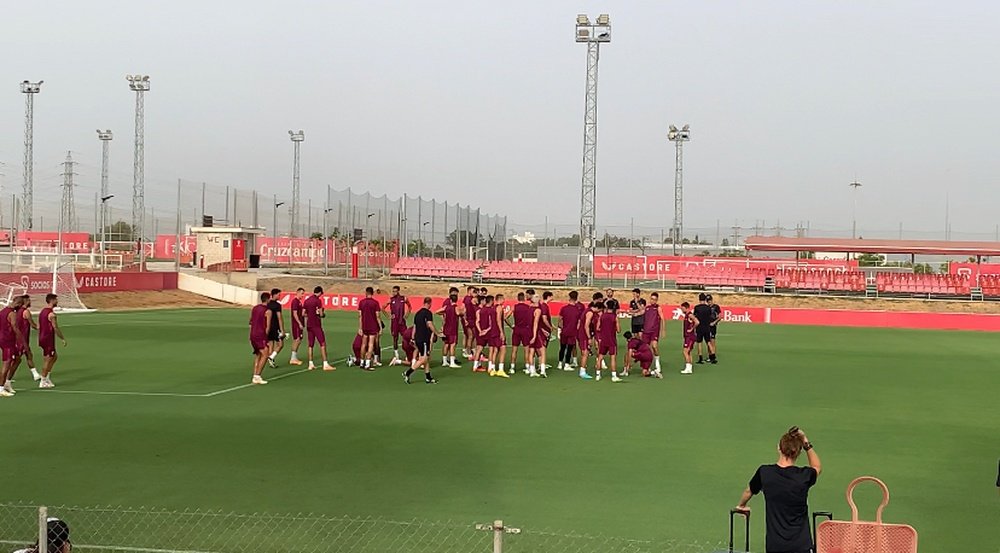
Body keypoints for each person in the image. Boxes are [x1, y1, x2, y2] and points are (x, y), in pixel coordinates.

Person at [735, 427, 822, 553]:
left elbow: (749, 491)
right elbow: (817, 467)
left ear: (779, 448)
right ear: (798, 452)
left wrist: (741, 505)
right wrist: (805, 441)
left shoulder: (765, 473)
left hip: (775, 546)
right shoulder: (804, 475)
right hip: (801, 545)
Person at [404, 297, 440, 384]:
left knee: (425, 358)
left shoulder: (417, 313)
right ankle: (407, 373)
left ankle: (428, 377)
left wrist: (413, 337)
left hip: (418, 338)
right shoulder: (428, 313)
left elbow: (415, 327)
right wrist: (437, 333)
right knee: (423, 359)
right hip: (424, 339)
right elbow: (429, 324)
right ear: (429, 303)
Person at [36, 293, 67, 389]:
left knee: (54, 357)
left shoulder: (42, 312)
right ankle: (43, 380)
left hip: (42, 337)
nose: (57, 302)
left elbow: (39, 325)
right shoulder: (51, 314)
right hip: (48, 338)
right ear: (52, 300)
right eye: (56, 300)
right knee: (48, 359)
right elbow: (55, 328)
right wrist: (62, 338)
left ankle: (46, 377)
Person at [0, 296, 27, 396]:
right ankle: (1, 388)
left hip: (4, 339)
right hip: (8, 341)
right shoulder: (12, 313)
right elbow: (15, 327)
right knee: (7, 363)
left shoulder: (2, 311)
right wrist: (22, 341)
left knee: (17, 359)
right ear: (18, 303)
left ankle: (7, 382)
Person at [304, 286, 335, 371]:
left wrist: (310, 315)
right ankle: (325, 363)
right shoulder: (318, 301)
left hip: (309, 324)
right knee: (322, 343)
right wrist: (322, 314)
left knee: (310, 345)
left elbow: (303, 313)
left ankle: (310, 363)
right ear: (320, 292)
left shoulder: (307, 301)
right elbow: (321, 314)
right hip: (316, 325)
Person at [595, 301, 623, 382]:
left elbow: (597, 328)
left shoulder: (602, 316)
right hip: (612, 340)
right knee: (613, 358)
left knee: (600, 358)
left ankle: (598, 375)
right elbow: (618, 330)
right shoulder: (615, 317)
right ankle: (614, 376)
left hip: (603, 340)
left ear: (606, 307)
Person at [435, 287, 463, 368]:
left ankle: (444, 361)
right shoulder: (456, 307)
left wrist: (444, 314)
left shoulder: (446, 307)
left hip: (446, 327)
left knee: (446, 344)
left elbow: (437, 311)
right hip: (453, 328)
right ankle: (452, 362)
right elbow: (458, 313)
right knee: (453, 344)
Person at [384, 285, 412, 365]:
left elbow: (410, 306)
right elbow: (383, 308)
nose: (393, 293)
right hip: (394, 322)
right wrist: (388, 316)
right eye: (393, 291)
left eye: (395, 291)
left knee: (406, 338)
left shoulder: (404, 298)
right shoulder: (391, 299)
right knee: (395, 338)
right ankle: (396, 355)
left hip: (402, 322)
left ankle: (408, 354)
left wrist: (407, 314)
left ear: (398, 291)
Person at [249, 292, 272, 385]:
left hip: (253, 334)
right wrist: (266, 338)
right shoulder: (268, 311)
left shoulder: (255, 308)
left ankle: (255, 375)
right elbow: (268, 327)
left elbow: (250, 321)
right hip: (260, 335)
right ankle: (257, 376)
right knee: (265, 354)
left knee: (258, 354)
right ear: (267, 299)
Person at [357, 286, 381, 370]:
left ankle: (361, 362)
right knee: (371, 344)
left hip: (364, 325)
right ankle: (367, 364)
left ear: (366, 293)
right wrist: (380, 327)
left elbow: (360, 315)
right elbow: (377, 316)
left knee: (363, 344)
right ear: (372, 293)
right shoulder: (375, 303)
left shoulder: (361, 302)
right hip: (373, 326)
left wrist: (360, 327)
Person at [557, 291, 581, 371]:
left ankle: (560, 363)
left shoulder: (564, 308)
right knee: (570, 348)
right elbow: (578, 322)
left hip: (564, 331)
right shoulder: (577, 310)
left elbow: (560, 319)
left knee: (562, 348)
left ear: (569, 297)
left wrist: (560, 328)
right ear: (576, 298)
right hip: (572, 332)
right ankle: (567, 364)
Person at [642, 292, 664, 376]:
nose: (653, 301)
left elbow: (662, 318)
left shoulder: (658, 308)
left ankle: (657, 363)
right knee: (646, 349)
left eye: (654, 299)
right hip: (646, 331)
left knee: (654, 346)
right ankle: (647, 366)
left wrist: (663, 330)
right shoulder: (647, 308)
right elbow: (641, 314)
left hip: (654, 331)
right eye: (651, 299)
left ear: (657, 300)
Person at [693, 293, 716, 364]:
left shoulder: (697, 307)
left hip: (699, 327)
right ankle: (713, 357)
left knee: (699, 342)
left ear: (699, 299)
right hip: (707, 327)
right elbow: (710, 316)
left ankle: (700, 358)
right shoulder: (708, 308)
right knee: (708, 342)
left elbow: (694, 317)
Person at [265, 288, 285, 368]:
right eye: (279, 294)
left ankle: (271, 361)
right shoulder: (277, 305)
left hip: (268, 327)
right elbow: (279, 318)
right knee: (280, 344)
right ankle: (271, 357)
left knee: (271, 344)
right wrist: (282, 330)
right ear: (275, 294)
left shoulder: (268, 304)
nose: (280, 296)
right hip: (275, 327)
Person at [288, 288, 306, 366]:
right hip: (296, 324)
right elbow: (294, 313)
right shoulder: (295, 302)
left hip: (299, 323)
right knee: (297, 339)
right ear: (297, 293)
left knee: (298, 340)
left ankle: (294, 357)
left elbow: (300, 313)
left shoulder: (299, 302)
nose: (303, 295)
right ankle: (293, 358)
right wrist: (299, 323)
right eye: (302, 293)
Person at [680, 301, 698, 374]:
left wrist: (692, 329)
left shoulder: (690, 315)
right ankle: (689, 368)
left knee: (685, 352)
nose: (682, 310)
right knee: (689, 352)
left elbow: (697, 322)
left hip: (689, 337)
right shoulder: (686, 315)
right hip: (687, 336)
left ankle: (688, 367)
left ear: (686, 308)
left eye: (682, 308)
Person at [462, 286, 479, 359]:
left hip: (471, 319)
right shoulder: (470, 299)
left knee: (472, 335)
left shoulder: (466, 298)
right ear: (469, 291)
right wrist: (465, 319)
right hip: (470, 319)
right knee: (471, 336)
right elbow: (464, 309)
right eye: (473, 291)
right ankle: (468, 351)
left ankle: (470, 350)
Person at [707, 294, 722, 360]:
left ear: (712, 300)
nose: (709, 302)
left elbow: (720, 316)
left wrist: (714, 322)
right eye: (707, 301)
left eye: (710, 300)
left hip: (712, 326)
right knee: (708, 341)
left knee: (712, 341)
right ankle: (709, 355)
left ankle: (713, 355)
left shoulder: (716, 307)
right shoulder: (706, 307)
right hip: (707, 326)